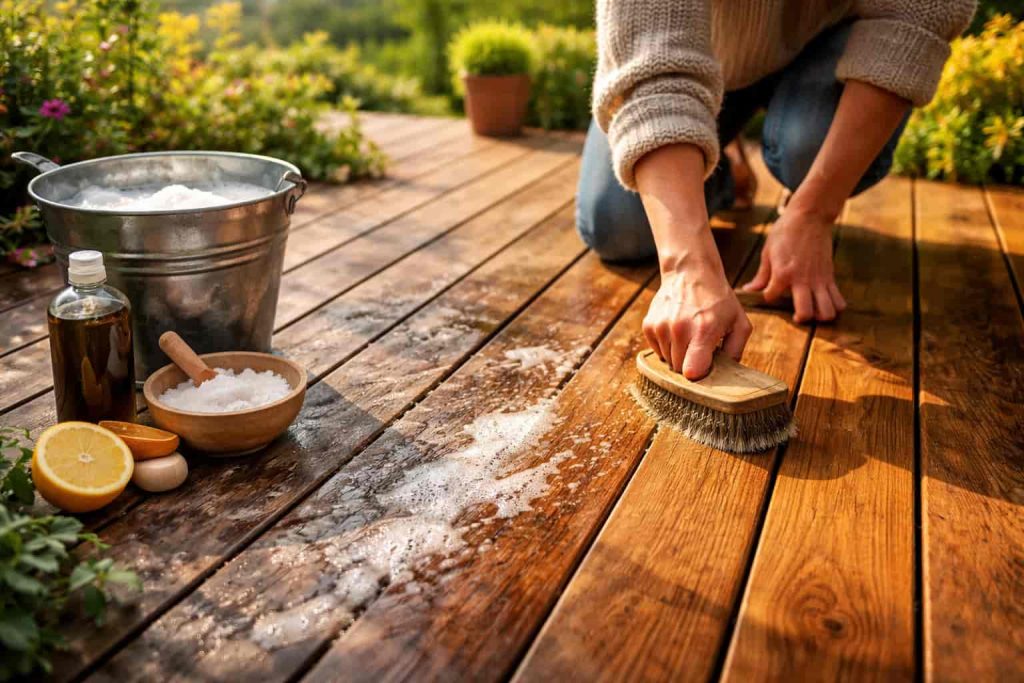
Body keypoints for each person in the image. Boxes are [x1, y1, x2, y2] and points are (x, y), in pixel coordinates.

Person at [578, 1, 976, 379]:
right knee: (616, 227)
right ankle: (722, 162)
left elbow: (915, 18)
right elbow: (651, 69)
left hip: (832, 44)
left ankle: (787, 174)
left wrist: (813, 213)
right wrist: (687, 265)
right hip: (694, 50)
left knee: (807, 148)